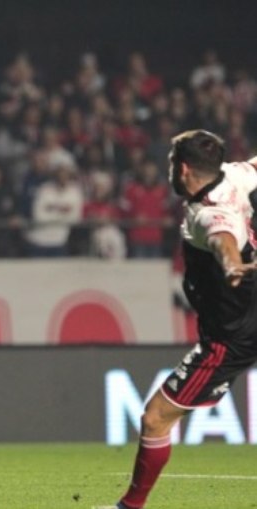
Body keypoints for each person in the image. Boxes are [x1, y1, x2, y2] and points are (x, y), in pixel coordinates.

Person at [106, 130, 257, 509]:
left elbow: (222, 237)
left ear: (183, 168)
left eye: (171, 163)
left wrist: (232, 265)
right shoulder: (236, 173)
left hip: (232, 335)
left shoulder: (209, 213)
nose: (169, 170)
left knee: (156, 418)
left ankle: (131, 507)